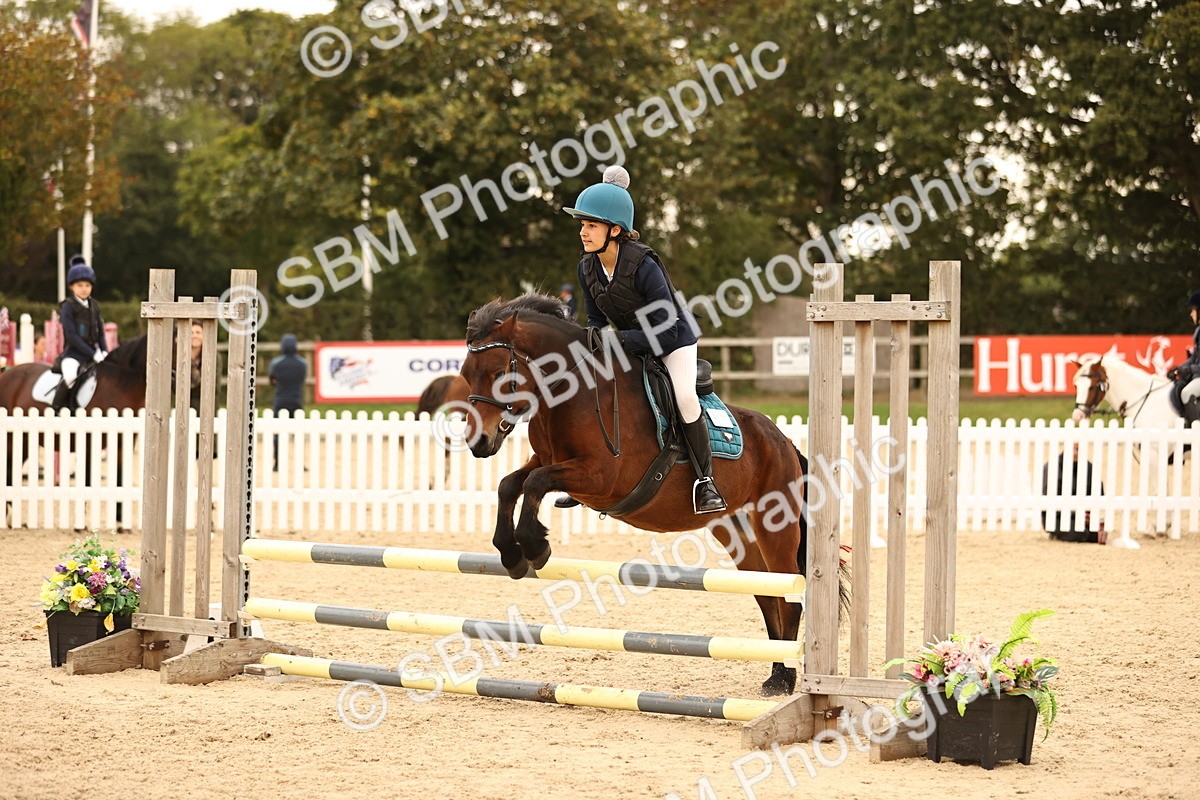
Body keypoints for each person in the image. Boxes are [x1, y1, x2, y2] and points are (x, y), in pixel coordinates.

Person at [559, 165, 726, 514]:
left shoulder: (644, 264)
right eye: (582, 224)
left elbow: (665, 330)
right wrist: (593, 343)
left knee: (684, 397)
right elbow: (595, 319)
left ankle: (705, 482)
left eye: (591, 225)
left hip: (674, 340)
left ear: (615, 230)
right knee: (592, 387)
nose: (583, 232)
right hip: (632, 341)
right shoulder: (586, 267)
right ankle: (584, 471)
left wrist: (616, 342)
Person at [51, 256, 107, 411]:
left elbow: (100, 332)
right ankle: (56, 408)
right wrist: (93, 353)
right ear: (72, 287)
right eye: (80, 285)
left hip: (93, 353)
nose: (84, 289)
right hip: (73, 354)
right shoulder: (67, 306)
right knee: (70, 377)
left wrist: (104, 350)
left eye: (87, 285)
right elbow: (72, 336)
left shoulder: (94, 305)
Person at [1040, 443, 1105, 543]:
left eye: (1078, 449)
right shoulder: (1052, 467)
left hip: (1082, 516)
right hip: (1057, 516)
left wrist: (1087, 515)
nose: (1075, 453)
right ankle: (1057, 534)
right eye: (1072, 449)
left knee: (1096, 534)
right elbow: (1051, 502)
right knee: (1080, 533)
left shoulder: (1089, 468)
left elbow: (1099, 494)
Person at [269, 333, 308, 471]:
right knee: (298, 433)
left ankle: (277, 463)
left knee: (278, 434)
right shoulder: (302, 363)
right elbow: (302, 379)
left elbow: (272, 380)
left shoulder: (276, 363)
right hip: (296, 400)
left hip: (281, 400)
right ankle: (300, 463)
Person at [1167, 290, 1200, 421]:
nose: (1191, 314)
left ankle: (1195, 431)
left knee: (1187, 393)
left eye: (1193, 310)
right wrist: (1179, 368)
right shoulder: (1198, 331)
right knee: (1177, 387)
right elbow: (1194, 358)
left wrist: (1190, 370)